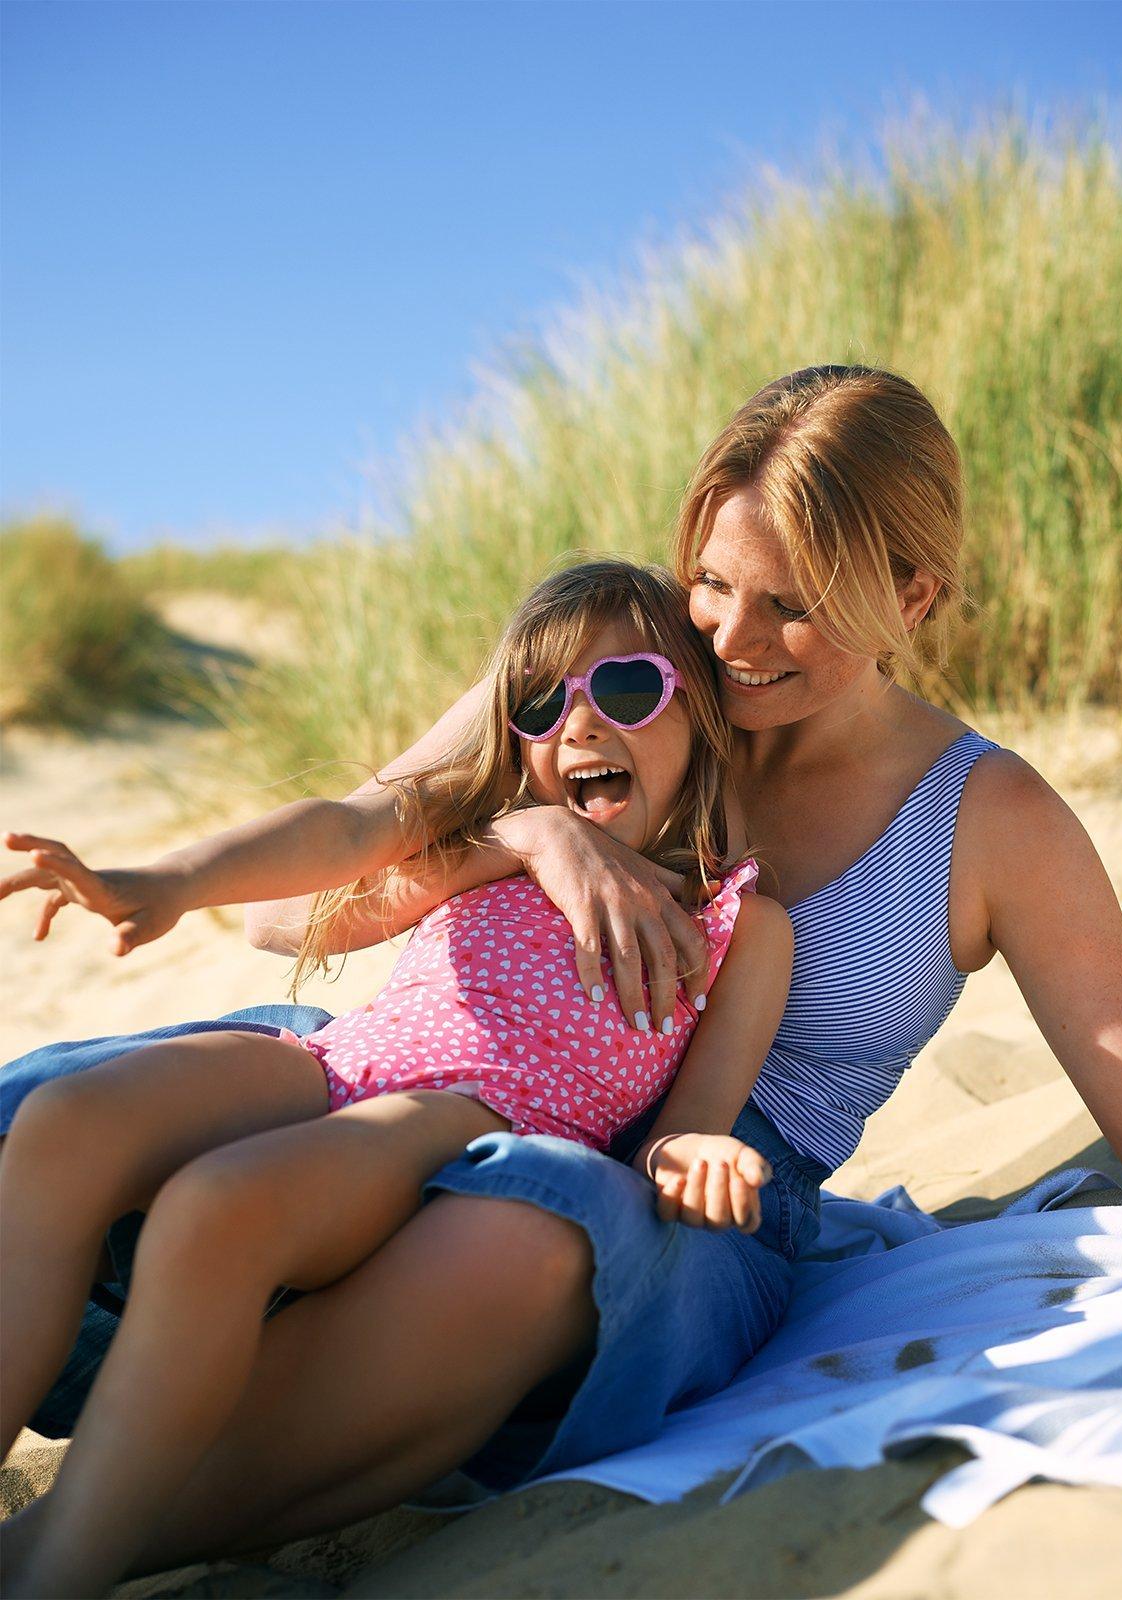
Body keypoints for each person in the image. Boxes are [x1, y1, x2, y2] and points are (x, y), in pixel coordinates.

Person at [1, 364, 1122, 1590]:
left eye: (792, 605)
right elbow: (295, 916)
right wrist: (528, 835)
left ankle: (62, 1546)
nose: (731, 638)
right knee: (71, 1122)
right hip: (435, 1064)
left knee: (509, 1248)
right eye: (714, 582)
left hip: (694, 1189)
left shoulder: (989, 816)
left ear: (913, 594)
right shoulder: (613, 671)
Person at [0, 560, 793, 1598]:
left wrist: (698, 1155)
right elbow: (343, 835)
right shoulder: (492, 843)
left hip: (464, 1117)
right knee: (68, 1123)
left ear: (703, 711)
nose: (581, 726)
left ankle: (53, 1570)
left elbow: (684, 1121)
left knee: (216, 1210)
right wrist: (166, 882)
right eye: (543, 705)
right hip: (331, 1060)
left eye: (629, 689)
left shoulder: (737, 926)